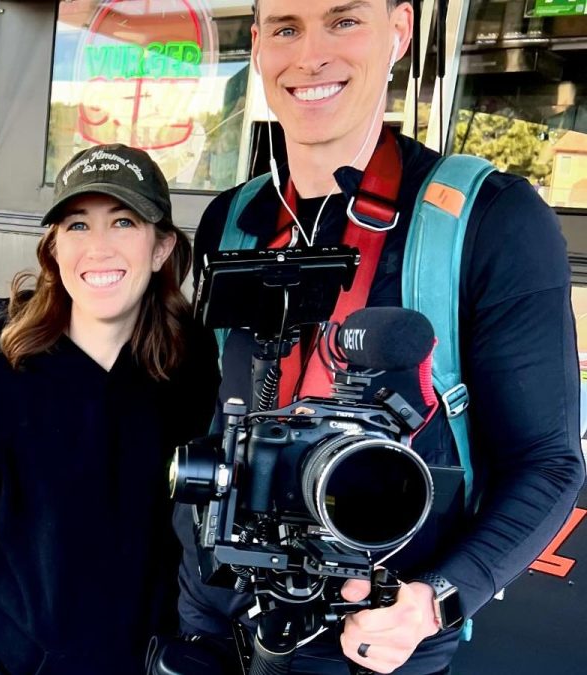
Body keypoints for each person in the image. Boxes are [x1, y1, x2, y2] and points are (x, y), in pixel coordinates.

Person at [175, 1, 587, 674]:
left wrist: (434, 602)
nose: (311, 55)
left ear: (398, 32)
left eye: (343, 21)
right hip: (211, 626)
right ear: (257, 44)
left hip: (373, 644)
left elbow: (549, 462)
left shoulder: (492, 219)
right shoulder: (234, 219)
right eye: (286, 28)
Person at [0, 144, 219, 675]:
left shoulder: (190, 380)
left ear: (161, 247)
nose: (98, 247)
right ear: (53, 249)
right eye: (77, 225)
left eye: (123, 222)